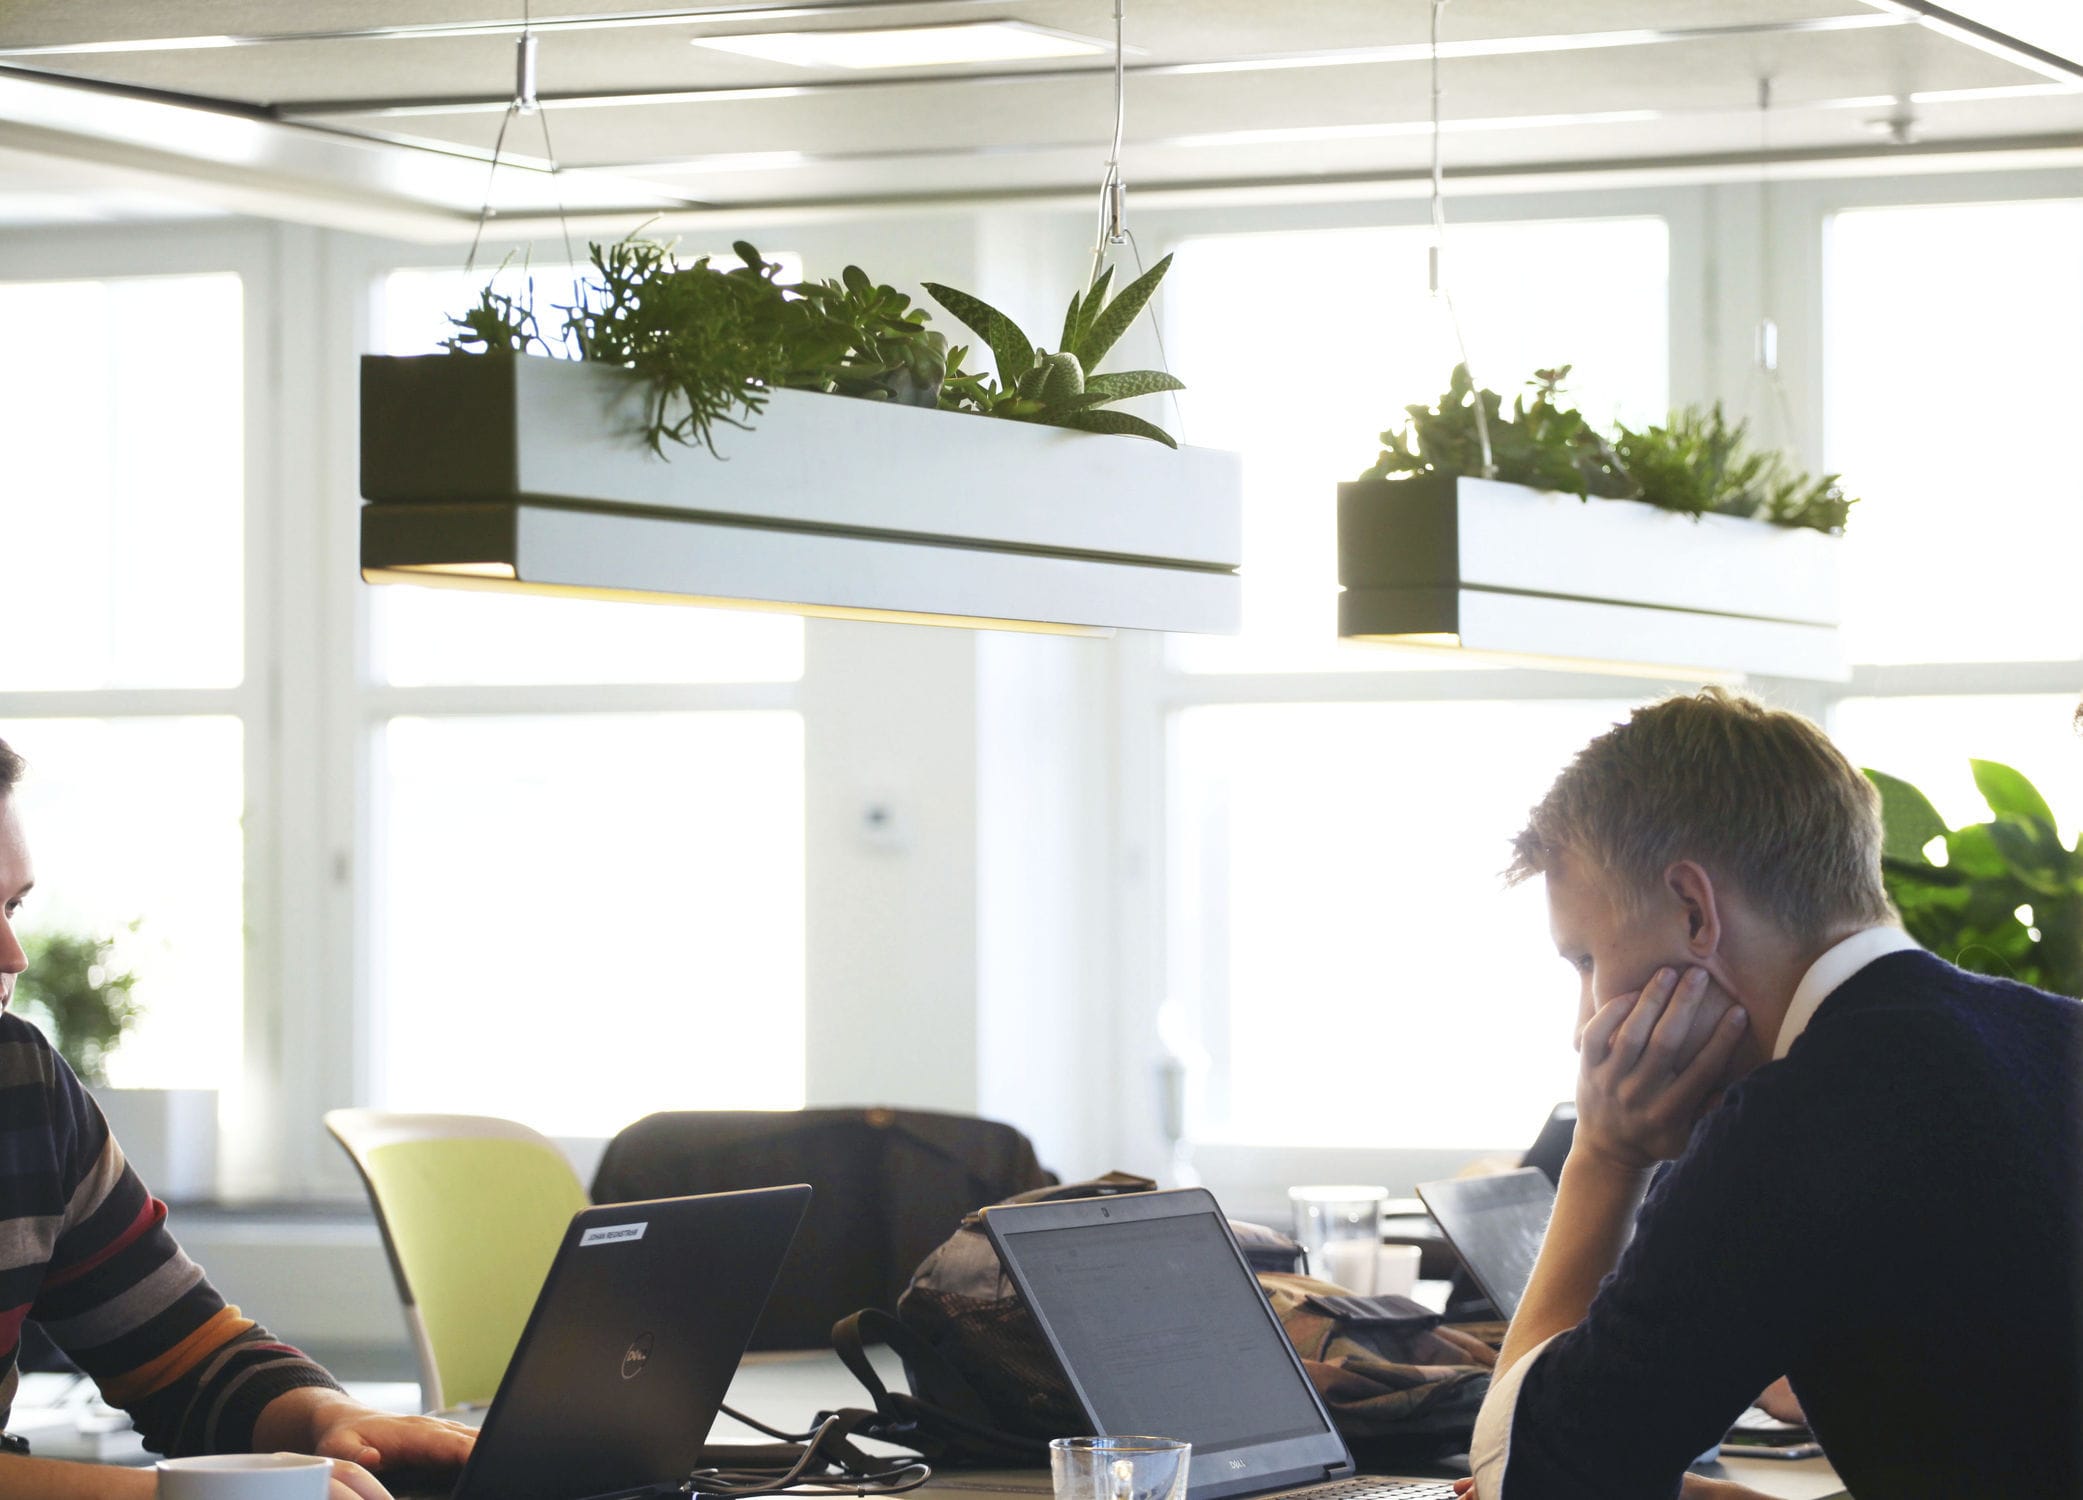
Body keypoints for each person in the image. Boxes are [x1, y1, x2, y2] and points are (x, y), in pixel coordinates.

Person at [1455, 688, 2081, 1500]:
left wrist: (1603, 1157)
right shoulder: (2055, 1033)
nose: (1583, 1026)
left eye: (1584, 961)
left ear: (1693, 911)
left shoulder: (1798, 1117)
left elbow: (1526, 1480)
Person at [0, 738, 476, 1500]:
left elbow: (183, 1356)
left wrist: (328, 1419)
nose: (13, 955)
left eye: (13, 906)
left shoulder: (21, 1084)